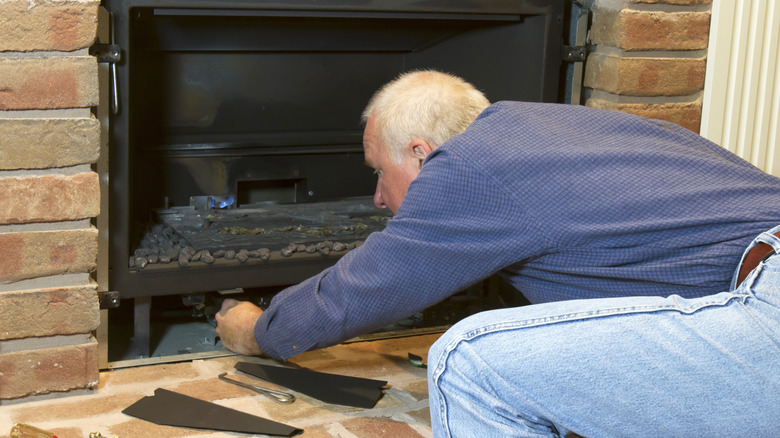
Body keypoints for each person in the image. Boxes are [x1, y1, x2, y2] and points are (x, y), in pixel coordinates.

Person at [216, 70, 780, 436]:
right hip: (751, 280)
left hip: (769, 298)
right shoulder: (558, 126)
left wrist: (259, 328)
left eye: (380, 173)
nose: (379, 197)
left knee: (470, 361)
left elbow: (365, 287)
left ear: (421, 152)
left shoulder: (465, 167)